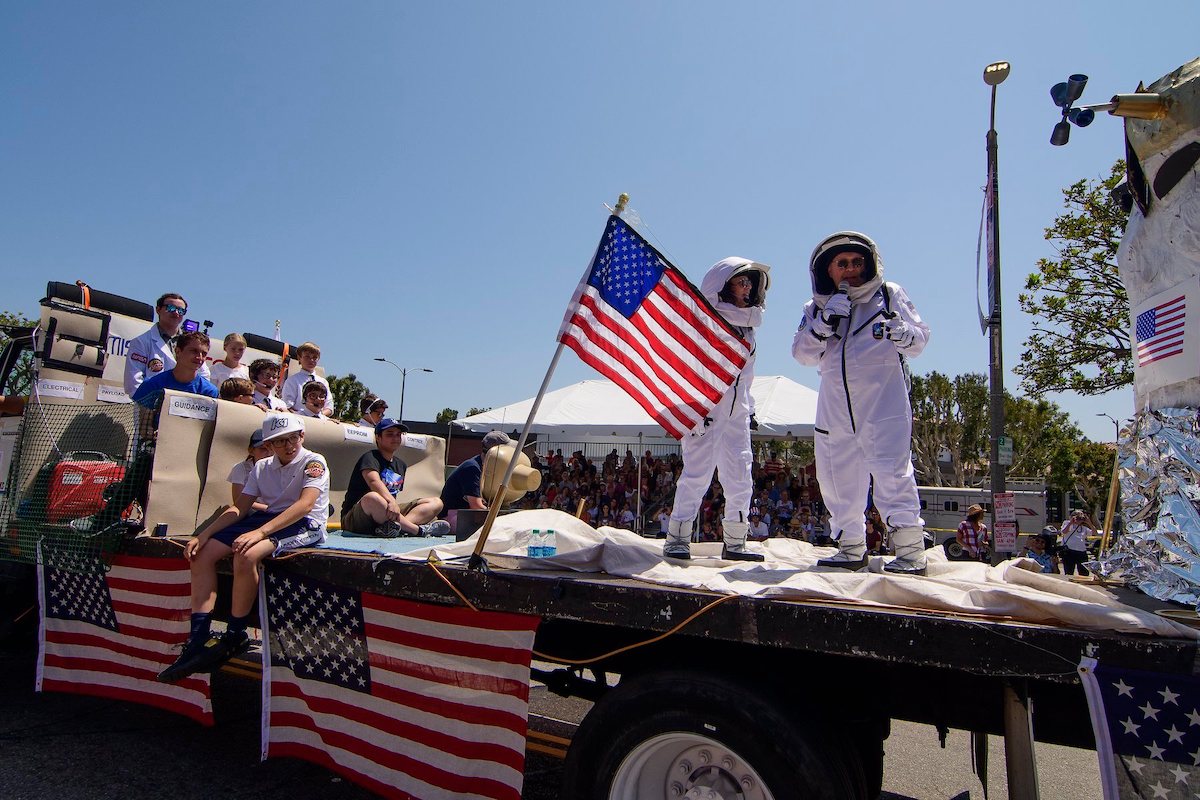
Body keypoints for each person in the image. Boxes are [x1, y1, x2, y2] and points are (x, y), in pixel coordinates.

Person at [792, 231, 930, 574]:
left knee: (892, 472)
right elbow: (801, 355)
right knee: (835, 474)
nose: (851, 269)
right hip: (834, 402)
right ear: (829, 270)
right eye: (843, 263)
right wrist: (823, 324)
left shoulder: (888, 294)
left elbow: (920, 338)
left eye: (857, 262)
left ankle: (912, 552)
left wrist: (903, 333)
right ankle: (850, 547)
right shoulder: (816, 309)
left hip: (882, 400)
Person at [158, 413, 329, 682]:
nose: (288, 445)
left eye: (293, 438)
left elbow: (305, 505)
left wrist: (259, 533)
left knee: (247, 554)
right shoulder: (261, 467)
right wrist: (204, 535)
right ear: (269, 445)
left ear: (302, 437)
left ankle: (235, 633)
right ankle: (198, 637)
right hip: (270, 518)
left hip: (304, 523)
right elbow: (239, 507)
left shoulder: (313, 461)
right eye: (279, 441)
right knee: (201, 555)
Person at [664, 257, 770, 563]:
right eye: (741, 281)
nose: (747, 287)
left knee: (740, 476)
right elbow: (685, 366)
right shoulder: (704, 322)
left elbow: (745, 378)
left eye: (750, 282)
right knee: (697, 474)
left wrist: (749, 409)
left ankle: (736, 542)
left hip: (737, 412)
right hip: (706, 410)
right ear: (723, 287)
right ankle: (677, 538)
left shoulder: (749, 328)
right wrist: (690, 409)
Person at [340, 418, 449, 538]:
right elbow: (373, 481)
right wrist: (391, 502)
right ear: (378, 437)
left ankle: (395, 527)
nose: (395, 438)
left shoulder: (401, 465)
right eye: (390, 434)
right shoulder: (370, 457)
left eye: (398, 435)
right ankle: (417, 530)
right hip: (357, 518)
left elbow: (394, 494)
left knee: (436, 502)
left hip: (387, 514)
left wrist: (393, 504)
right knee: (373, 498)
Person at [123, 292, 211, 397]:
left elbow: (203, 374)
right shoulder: (141, 342)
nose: (176, 313)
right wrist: (151, 404)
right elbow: (133, 383)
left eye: (181, 310)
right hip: (151, 406)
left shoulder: (192, 342)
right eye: (171, 308)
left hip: (186, 405)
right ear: (158, 309)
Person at [131, 330, 220, 415]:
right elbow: (143, 422)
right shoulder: (153, 384)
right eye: (194, 351)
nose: (199, 357)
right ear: (178, 351)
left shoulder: (209, 392)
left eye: (203, 354)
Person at [439, 431, 512, 527]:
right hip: (453, 519)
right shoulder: (472, 468)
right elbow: (476, 507)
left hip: (469, 517)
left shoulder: (486, 467)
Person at [281, 341, 332, 416]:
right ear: (299, 358)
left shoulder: (323, 382)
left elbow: (329, 407)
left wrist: (318, 417)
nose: (311, 360)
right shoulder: (292, 381)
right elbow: (288, 406)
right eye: (307, 357)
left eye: (314, 358)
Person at [227, 429, 271, 509]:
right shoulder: (241, 469)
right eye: (263, 449)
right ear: (251, 451)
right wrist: (268, 509)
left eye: (271, 448)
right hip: (252, 511)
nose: (269, 452)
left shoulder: (281, 467)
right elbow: (238, 501)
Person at [1059, 510, 1096, 576]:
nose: (1079, 520)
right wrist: (1071, 522)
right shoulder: (1067, 523)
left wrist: (1089, 522)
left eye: (1081, 518)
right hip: (1069, 551)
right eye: (1078, 518)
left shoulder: (1084, 528)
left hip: (1081, 552)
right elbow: (1064, 531)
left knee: (1084, 573)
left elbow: (1094, 533)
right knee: (1069, 572)